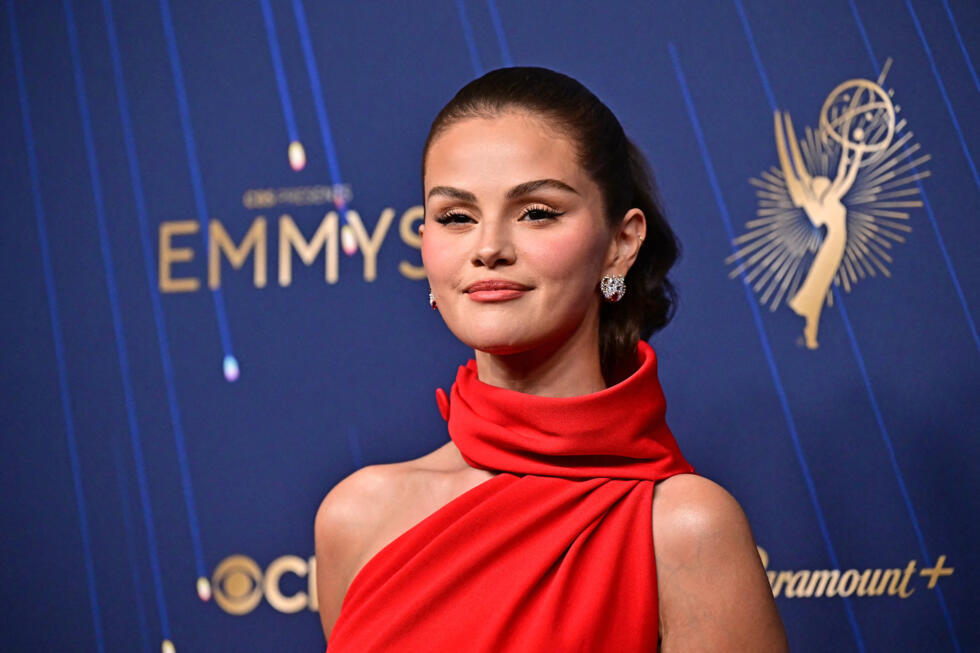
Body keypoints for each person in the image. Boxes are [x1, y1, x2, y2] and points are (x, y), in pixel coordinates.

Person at [314, 66, 788, 652]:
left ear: (621, 243)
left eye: (537, 212)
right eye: (456, 217)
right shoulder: (356, 516)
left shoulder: (683, 529)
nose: (488, 248)